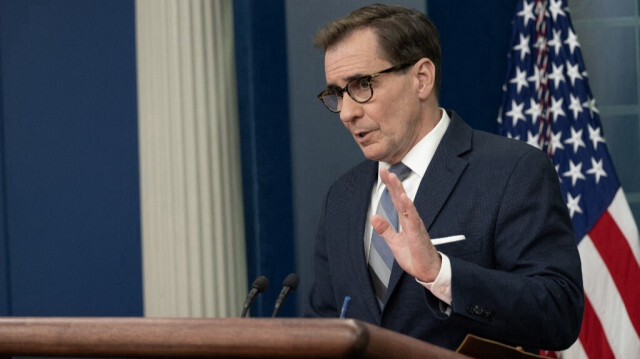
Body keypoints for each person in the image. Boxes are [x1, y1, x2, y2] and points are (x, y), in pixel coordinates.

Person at [304, 4, 584, 352]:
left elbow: (559, 312)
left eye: (362, 85)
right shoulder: (342, 197)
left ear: (421, 78)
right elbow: (324, 327)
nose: (347, 112)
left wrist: (441, 273)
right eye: (337, 93)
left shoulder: (512, 171)